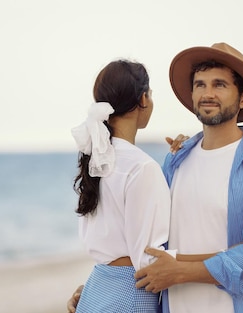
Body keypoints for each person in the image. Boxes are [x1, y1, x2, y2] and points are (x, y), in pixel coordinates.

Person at [68, 42, 243, 313]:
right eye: (200, 84)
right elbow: (143, 242)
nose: (207, 93)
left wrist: (182, 270)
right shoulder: (176, 161)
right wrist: (101, 289)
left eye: (219, 85)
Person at [69, 59, 171, 312]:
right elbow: (148, 262)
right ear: (143, 100)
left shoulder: (95, 160)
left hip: (96, 288)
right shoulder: (141, 167)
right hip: (131, 296)